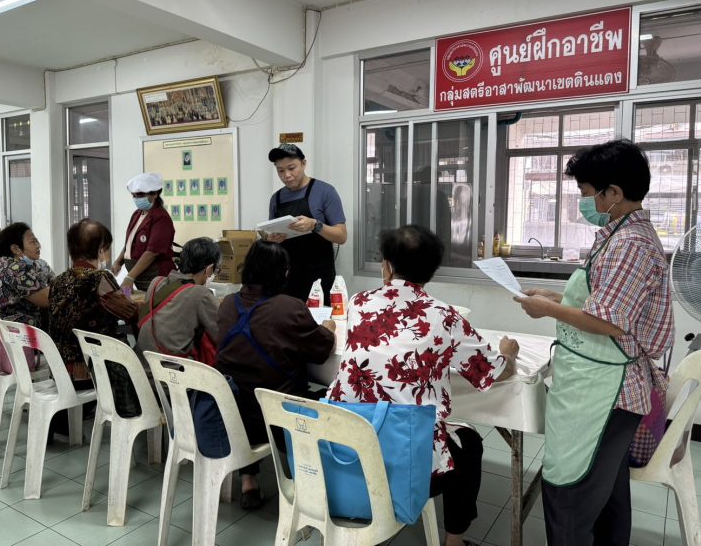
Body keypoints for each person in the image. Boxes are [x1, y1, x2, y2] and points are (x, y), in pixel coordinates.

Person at [514, 140, 674, 546]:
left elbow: (609, 321)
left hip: (607, 392)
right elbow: (605, 299)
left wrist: (547, 311)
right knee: (608, 497)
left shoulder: (630, 244)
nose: (583, 202)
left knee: (570, 492)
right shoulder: (617, 233)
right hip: (602, 380)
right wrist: (557, 299)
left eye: (587, 193)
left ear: (613, 193)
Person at [326, 225, 519, 546]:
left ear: (385, 266)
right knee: (470, 444)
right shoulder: (446, 317)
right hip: (405, 454)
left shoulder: (359, 303)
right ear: (431, 272)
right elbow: (491, 372)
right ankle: (454, 541)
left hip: (347, 443)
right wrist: (508, 355)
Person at [215, 240, 336, 510]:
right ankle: (308, 477)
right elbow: (321, 350)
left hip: (234, 412)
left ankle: (249, 480)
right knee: (326, 395)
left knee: (250, 389)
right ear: (282, 273)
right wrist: (329, 327)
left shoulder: (226, 304)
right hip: (281, 418)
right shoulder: (289, 307)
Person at [49, 219, 139, 414]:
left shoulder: (59, 280)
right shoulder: (99, 278)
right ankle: (132, 412)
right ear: (100, 250)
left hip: (60, 369)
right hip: (91, 369)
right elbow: (130, 312)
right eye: (106, 248)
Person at [266, 143, 347, 300]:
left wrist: (315, 225)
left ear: (304, 163)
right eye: (280, 171)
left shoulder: (325, 192)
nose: (287, 175)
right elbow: (271, 241)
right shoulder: (276, 199)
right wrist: (271, 240)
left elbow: (342, 236)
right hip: (286, 276)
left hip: (319, 277)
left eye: (291, 168)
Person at [0, 222, 50, 361]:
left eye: (37, 240)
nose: (38, 245)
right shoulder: (17, 269)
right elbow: (48, 300)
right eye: (32, 241)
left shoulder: (0, 263)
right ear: (15, 249)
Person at [136, 237, 221, 366]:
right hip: (171, 378)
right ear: (209, 269)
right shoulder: (200, 294)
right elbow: (222, 336)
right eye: (216, 270)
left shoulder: (156, 282)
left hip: (140, 371)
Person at [112, 172, 175, 292]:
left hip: (156, 277)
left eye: (140, 195)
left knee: (152, 305)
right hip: (139, 276)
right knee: (129, 298)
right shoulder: (137, 214)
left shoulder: (161, 218)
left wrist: (130, 277)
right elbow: (129, 244)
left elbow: (152, 253)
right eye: (134, 195)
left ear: (155, 194)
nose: (137, 199)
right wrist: (118, 262)